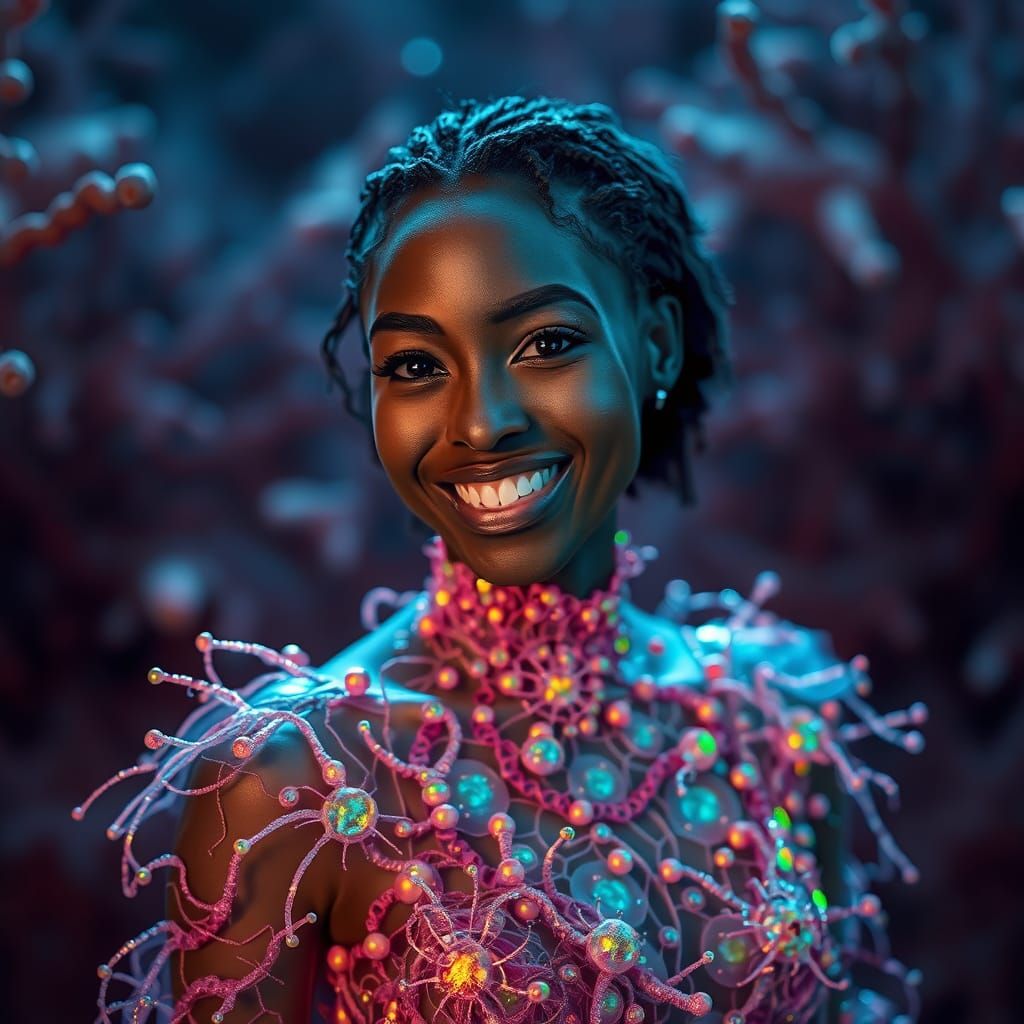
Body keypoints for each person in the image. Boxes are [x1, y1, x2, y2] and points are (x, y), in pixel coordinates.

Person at [79, 96, 925, 1024]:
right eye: (414, 366)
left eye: (545, 345)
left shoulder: (778, 720)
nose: (483, 422)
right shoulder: (293, 779)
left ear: (656, 346)